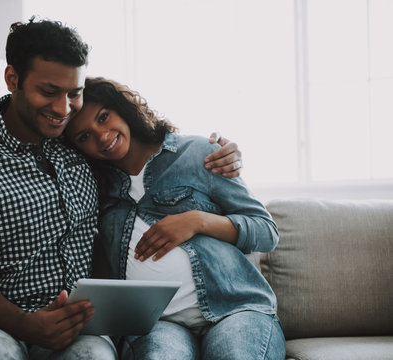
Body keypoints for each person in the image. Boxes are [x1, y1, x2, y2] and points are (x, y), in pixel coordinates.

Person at [0, 17, 243, 360]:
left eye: (74, 93)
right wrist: (27, 324)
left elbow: (142, 147)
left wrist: (220, 153)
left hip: (74, 326)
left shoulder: (78, 146)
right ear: (12, 79)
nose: (63, 109)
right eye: (48, 92)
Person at [64, 77, 286, 360]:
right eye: (84, 136)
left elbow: (266, 231)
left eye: (104, 117)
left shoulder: (196, 154)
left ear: (123, 109)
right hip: (159, 323)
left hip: (236, 309)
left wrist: (197, 220)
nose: (102, 135)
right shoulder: (94, 189)